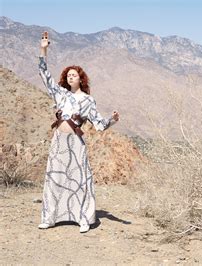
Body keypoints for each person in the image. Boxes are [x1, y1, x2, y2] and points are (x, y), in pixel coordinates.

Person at [38, 31, 120, 233]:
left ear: (81, 79)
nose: (70, 76)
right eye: (68, 75)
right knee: (55, 177)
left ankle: (83, 218)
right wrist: (43, 49)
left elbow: (99, 124)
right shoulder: (60, 93)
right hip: (58, 141)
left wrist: (112, 120)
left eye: (74, 74)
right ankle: (50, 218)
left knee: (79, 178)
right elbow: (44, 74)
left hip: (76, 143)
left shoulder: (88, 100)